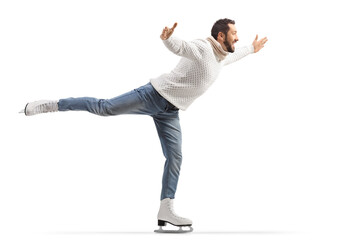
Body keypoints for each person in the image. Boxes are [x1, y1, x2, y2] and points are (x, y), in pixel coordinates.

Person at [20, 18, 267, 233]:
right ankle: (50, 104)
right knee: (104, 107)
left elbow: (235, 57)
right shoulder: (203, 47)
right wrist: (168, 38)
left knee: (175, 156)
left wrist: (251, 49)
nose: (238, 37)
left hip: (170, 113)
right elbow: (182, 47)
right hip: (153, 95)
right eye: (234, 33)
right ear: (221, 36)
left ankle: (166, 209)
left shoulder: (221, 58)